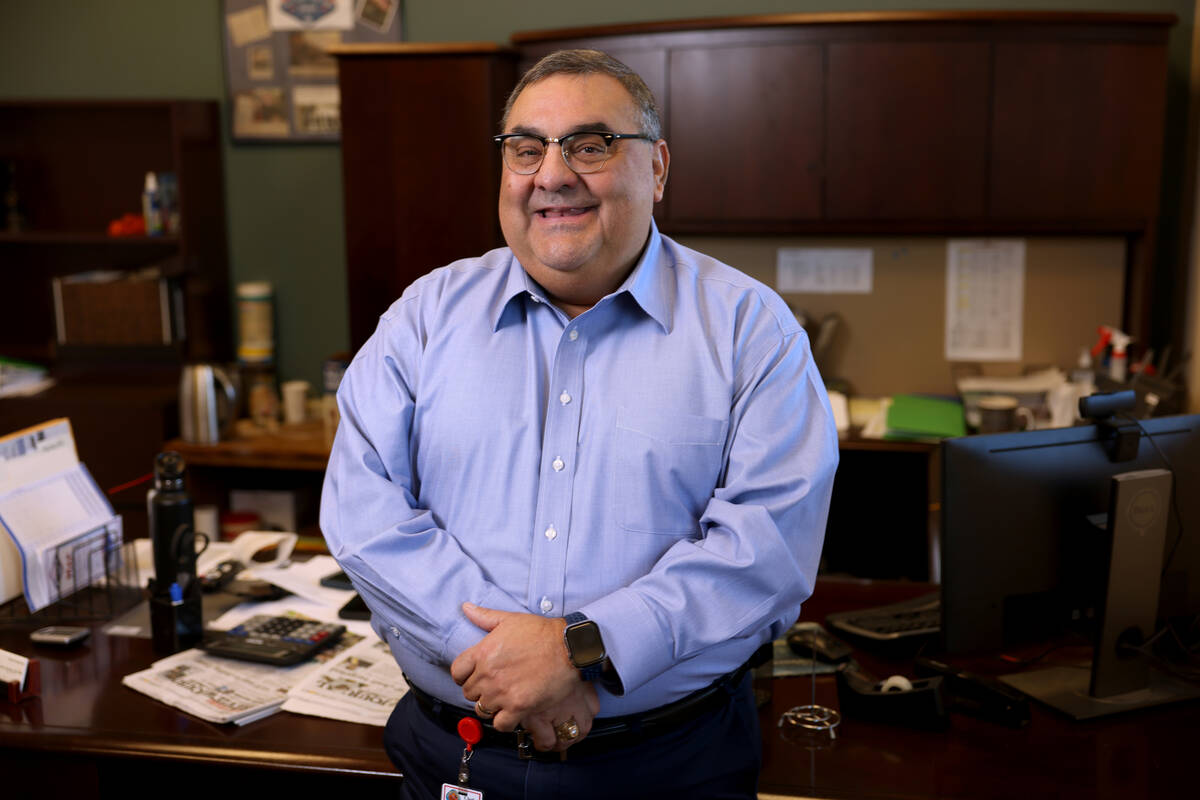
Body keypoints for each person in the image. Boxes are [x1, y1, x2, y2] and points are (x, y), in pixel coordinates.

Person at [320, 48, 838, 800]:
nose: (552, 175)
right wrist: (510, 666)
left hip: (670, 766)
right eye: (525, 150)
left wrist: (581, 652)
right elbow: (363, 512)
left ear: (657, 168)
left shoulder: (751, 331)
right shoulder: (424, 318)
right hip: (456, 756)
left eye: (590, 146)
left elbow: (765, 549)